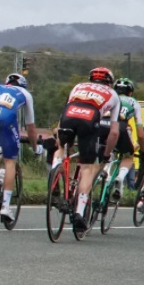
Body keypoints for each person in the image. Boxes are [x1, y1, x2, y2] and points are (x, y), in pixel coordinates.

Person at [56, 67, 121, 234]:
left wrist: (60, 141)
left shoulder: (78, 86)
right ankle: (79, 212)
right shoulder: (113, 94)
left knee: (62, 148)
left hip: (68, 115)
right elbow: (114, 132)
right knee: (87, 168)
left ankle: (56, 176)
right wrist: (106, 154)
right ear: (109, 82)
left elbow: (63, 114)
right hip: (89, 119)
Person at [0, 72, 37, 225]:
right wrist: (35, 146)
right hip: (5, 117)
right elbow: (30, 127)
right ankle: (5, 206)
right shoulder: (25, 93)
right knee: (10, 162)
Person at [111, 78, 142, 190]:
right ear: (130, 92)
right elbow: (140, 133)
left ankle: (106, 174)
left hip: (103, 125)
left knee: (106, 153)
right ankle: (120, 176)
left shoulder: (110, 97)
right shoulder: (133, 102)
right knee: (129, 155)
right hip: (122, 128)